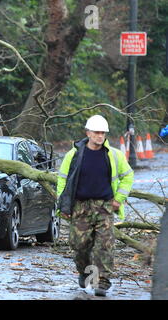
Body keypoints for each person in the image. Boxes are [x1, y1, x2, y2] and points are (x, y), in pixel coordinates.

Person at [56, 115, 134, 297]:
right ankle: (85, 273)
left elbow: (128, 176)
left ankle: (103, 282)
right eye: (97, 132)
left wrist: (118, 199)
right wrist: (64, 205)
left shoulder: (114, 155)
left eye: (103, 133)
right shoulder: (73, 155)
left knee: (104, 245)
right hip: (80, 206)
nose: (100, 136)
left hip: (104, 206)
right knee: (79, 244)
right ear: (88, 133)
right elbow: (62, 180)